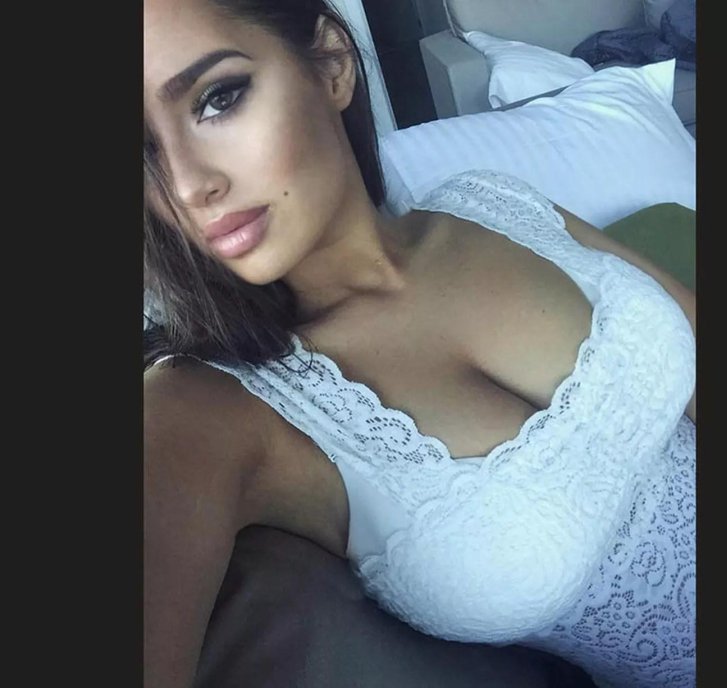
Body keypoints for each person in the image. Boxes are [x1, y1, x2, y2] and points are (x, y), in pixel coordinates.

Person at [143, 1, 697, 687]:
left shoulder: (493, 202)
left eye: (218, 98)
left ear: (331, 63)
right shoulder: (201, 410)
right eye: (141, 150)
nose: (189, 185)